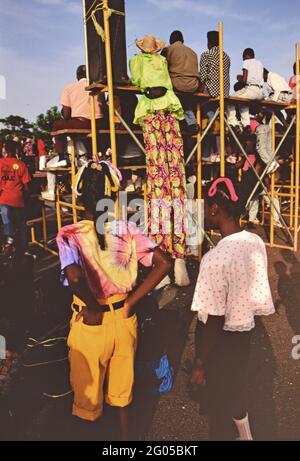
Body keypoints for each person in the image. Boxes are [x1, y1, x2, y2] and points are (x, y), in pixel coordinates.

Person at [56, 160, 171, 440]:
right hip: (124, 318)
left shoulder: (69, 234)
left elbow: (74, 277)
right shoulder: (127, 229)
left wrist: (94, 307)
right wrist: (131, 301)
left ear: (78, 195)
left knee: (87, 404)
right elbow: (163, 263)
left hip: (91, 324)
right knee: (121, 397)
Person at [190, 177, 275, 440]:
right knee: (235, 387)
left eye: (205, 207)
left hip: (221, 339)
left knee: (220, 396)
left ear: (215, 209)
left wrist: (201, 362)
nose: (203, 212)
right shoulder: (253, 242)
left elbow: (214, 318)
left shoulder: (215, 259)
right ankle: (245, 435)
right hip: (244, 330)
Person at [130, 34, 190, 287]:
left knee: (161, 183)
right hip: (165, 108)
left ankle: (167, 260)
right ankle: (174, 260)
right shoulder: (159, 60)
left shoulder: (139, 61)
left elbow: (136, 81)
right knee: (171, 181)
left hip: (155, 110)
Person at [51, 65, 106, 167]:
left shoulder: (70, 87)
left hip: (81, 122)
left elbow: (66, 114)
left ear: (77, 76)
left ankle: (63, 156)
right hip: (99, 123)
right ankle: (92, 155)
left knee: (56, 125)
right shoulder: (98, 86)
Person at [164, 30, 201, 134]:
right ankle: (191, 122)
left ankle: (171, 123)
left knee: (168, 95)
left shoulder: (169, 49)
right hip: (193, 85)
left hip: (178, 83)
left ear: (171, 40)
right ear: (183, 40)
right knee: (185, 100)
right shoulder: (193, 52)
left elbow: (162, 68)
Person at [0, 140, 31, 257]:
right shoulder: (21, 164)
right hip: (18, 199)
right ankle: (24, 250)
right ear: (15, 150)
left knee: (7, 221)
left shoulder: (0, 163)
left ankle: (9, 240)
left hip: (4, 199)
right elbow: (26, 186)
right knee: (21, 225)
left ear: (5, 150)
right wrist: (26, 199)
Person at [227, 48, 264, 134]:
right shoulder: (259, 63)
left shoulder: (246, 62)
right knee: (243, 102)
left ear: (246, 56)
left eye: (243, 58)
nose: (243, 60)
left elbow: (244, 80)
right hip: (260, 91)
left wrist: (240, 78)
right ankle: (246, 125)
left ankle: (233, 123)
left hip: (251, 89)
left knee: (230, 100)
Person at [199, 30, 231, 98]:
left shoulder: (206, 54)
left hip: (212, 92)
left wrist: (199, 93)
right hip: (225, 93)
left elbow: (203, 77)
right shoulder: (226, 57)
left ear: (208, 42)